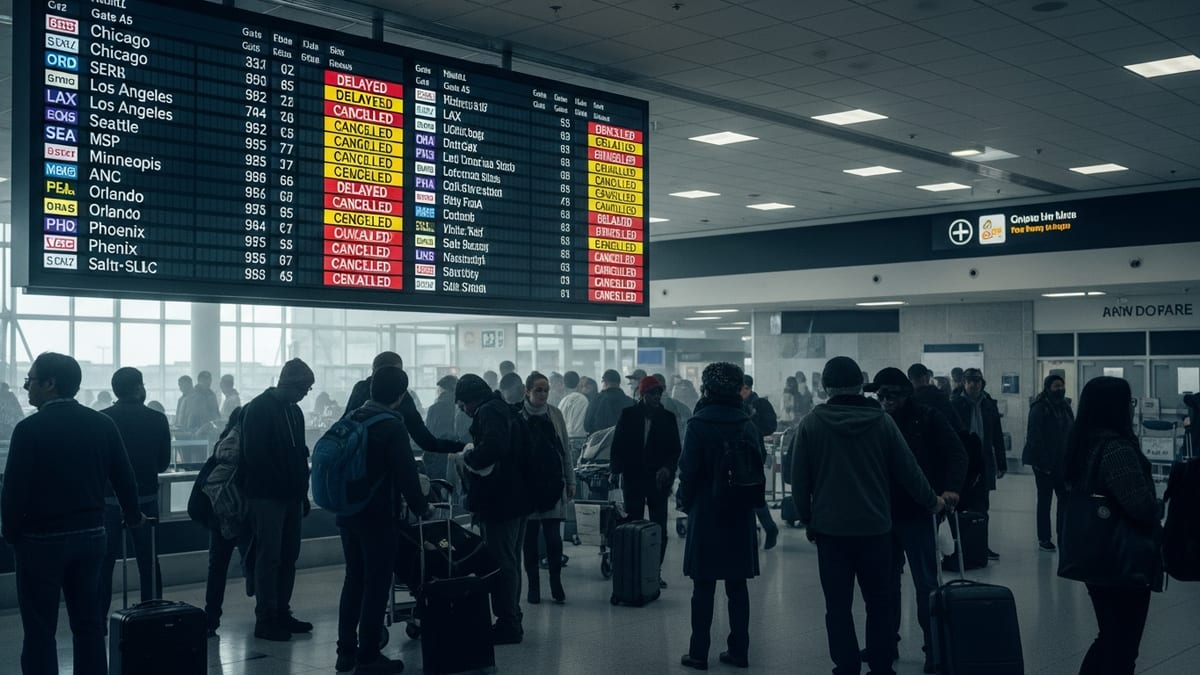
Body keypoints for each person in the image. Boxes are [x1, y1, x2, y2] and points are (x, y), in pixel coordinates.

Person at [792, 356, 945, 675]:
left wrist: (808, 519)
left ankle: (846, 666)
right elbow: (909, 471)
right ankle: (881, 664)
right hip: (876, 530)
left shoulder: (811, 423)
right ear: (861, 385)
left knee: (837, 606)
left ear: (825, 387)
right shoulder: (882, 422)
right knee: (880, 602)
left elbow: (799, 481)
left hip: (831, 532)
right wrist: (932, 502)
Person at [2, 352, 144, 675]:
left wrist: (11, 535)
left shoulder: (28, 430)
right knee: (89, 624)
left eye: (31, 381)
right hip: (92, 538)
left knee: (40, 630)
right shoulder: (102, 424)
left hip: (40, 541)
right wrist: (134, 516)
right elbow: (125, 479)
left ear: (50, 384)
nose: (26, 388)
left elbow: (13, 493)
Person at [865, 367, 966, 673]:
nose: (884, 400)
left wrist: (950, 489)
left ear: (906, 394)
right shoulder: (875, 420)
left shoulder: (928, 417)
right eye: (880, 394)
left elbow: (957, 453)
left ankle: (933, 648)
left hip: (920, 511)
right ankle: (886, 644)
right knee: (886, 584)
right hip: (882, 514)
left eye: (891, 394)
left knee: (926, 584)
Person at [335, 366, 429, 674]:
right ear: (401, 396)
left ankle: (346, 652)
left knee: (353, 581)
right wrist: (421, 508)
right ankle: (369, 658)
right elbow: (406, 475)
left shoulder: (351, 418)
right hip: (378, 518)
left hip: (347, 514)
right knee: (376, 585)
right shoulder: (391, 425)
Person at [1063, 376, 1160, 675]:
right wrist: (1161, 506)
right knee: (1123, 645)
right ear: (1116, 408)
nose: (1131, 408)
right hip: (1123, 561)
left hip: (1096, 557)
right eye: (1128, 402)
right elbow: (1139, 505)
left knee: (1109, 637)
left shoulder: (1083, 443)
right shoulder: (1117, 449)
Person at [677, 362, 761, 671]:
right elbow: (758, 463)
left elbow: (687, 471)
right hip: (740, 512)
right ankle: (739, 650)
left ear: (707, 390)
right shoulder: (747, 424)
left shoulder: (698, 424)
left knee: (704, 587)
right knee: (737, 587)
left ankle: (698, 653)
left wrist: (686, 502)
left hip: (707, 512)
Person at [451, 374, 533, 645]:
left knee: (500, 562)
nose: (463, 410)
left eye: (463, 405)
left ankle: (508, 623)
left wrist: (468, 457)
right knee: (510, 560)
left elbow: (494, 448)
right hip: (518, 497)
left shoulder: (489, 411)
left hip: (500, 501)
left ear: (472, 399)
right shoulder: (506, 409)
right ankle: (513, 617)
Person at [240, 358, 316, 641]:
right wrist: (288, 487)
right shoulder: (259, 409)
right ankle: (266, 617)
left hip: (291, 497)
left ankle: (282, 611)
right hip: (267, 497)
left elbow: (299, 455)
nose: (306, 394)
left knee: (288, 556)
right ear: (290, 384)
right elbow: (255, 456)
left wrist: (301, 493)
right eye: (304, 388)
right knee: (269, 557)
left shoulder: (295, 412)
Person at [98, 367, 172, 622]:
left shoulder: (103, 419)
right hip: (146, 500)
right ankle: (153, 613)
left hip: (108, 502)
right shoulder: (157, 419)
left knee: (103, 564)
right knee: (148, 562)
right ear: (139, 387)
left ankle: (98, 620)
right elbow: (163, 464)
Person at [610, 376, 681, 586]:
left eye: (659, 393)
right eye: (652, 393)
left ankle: (654, 570)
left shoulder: (667, 417)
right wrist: (615, 470)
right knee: (633, 523)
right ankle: (634, 569)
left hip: (658, 480)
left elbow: (675, 449)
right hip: (633, 477)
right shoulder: (629, 414)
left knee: (659, 526)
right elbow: (618, 445)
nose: (656, 397)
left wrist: (668, 468)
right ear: (642, 394)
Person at [520, 372, 574, 605]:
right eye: (538, 390)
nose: (542, 394)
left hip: (553, 483)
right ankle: (533, 586)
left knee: (553, 538)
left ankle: (555, 581)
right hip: (528, 487)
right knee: (530, 540)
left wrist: (570, 480)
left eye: (545, 390)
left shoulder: (555, 414)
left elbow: (565, 450)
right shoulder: (517, 416)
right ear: (527, 391)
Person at [202, 407, 252, 638]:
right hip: (242, 512)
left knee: (217, 567)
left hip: (219, 512)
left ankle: (211, 618)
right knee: (254, 559)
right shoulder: (250, 442)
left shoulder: (224, 441)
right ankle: (265, 609)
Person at [952, 368, 1006, 561]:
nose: (973, 384)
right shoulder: (955, 404)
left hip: (984, 462)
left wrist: (1001, 462)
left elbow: (997, 436)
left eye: (976, 381)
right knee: (960, 505)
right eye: (969, 381)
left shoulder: (989, 404)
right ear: (964, 383)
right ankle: (960, 547)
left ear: (982, 383)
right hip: (963, 462)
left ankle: (982, 546)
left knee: (983, 506)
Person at [1023, 374, 1074, 551]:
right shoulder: (1039, 408)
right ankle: (1044, 538)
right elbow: (1034, 436)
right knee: (1045, 501)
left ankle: (1064, 533)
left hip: (1063, 462)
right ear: (1047, 388)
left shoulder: (1066, 406)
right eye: (1056, 386)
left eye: (1062, 386)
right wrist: (1042, 463)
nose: (1060, 389)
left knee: (1065, 499)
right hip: (1044, 463)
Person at [741, 375, 780, 550]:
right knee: (748, 495)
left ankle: (769, 528)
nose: (742, 392)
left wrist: (753, 424)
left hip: (754, 453)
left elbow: (771, 425)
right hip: (738, 454)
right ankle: (761, 529)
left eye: (745, 388)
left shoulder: (761, 405)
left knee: (754, 493)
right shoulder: (734, 404)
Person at [424, 374, 464, 481]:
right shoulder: (463, 408)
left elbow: (429, 432)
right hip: (459, 455)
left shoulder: (435, 408)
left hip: (438, 455)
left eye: (440, 390)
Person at [908, 363, 963, 432]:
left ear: (909, 380)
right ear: (928, 376)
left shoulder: (908, 401)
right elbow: (956, 424)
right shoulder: (941, 397)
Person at [584, 369, 635, 434]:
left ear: (605, 383)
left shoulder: (596, 400)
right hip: (624, 442)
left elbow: (587, 426)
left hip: (601, 442)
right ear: (619, 383)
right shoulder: (630, 402)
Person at [557, 371, 590, 439]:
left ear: (564, 384)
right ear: (579, 383)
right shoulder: (583, 399)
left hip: (565, 438)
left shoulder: (563, 401)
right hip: (580, 438)